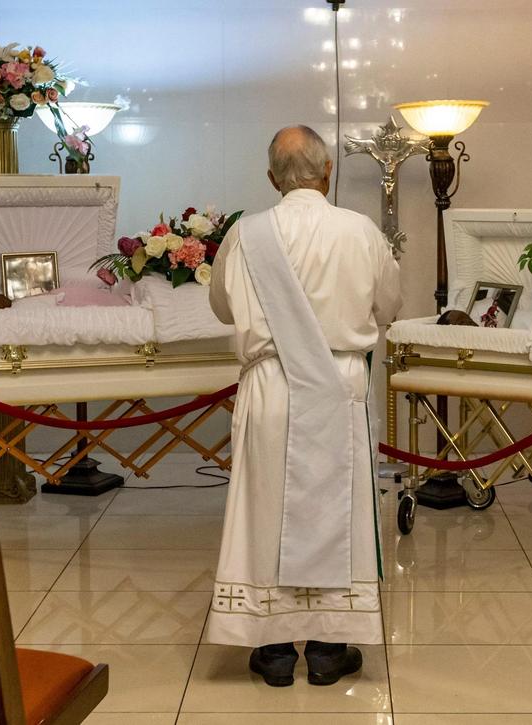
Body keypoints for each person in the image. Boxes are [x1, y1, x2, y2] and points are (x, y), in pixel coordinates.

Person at [206, 125, 401, 687]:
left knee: (264, 510)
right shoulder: (360, 231)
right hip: (338, 387)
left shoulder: (247, 234)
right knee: (337, 513)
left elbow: (223, 308)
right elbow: (388, 303)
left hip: (271, 385)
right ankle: (327, 648)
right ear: (329, 171)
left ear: (271, 179)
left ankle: (272, 652)